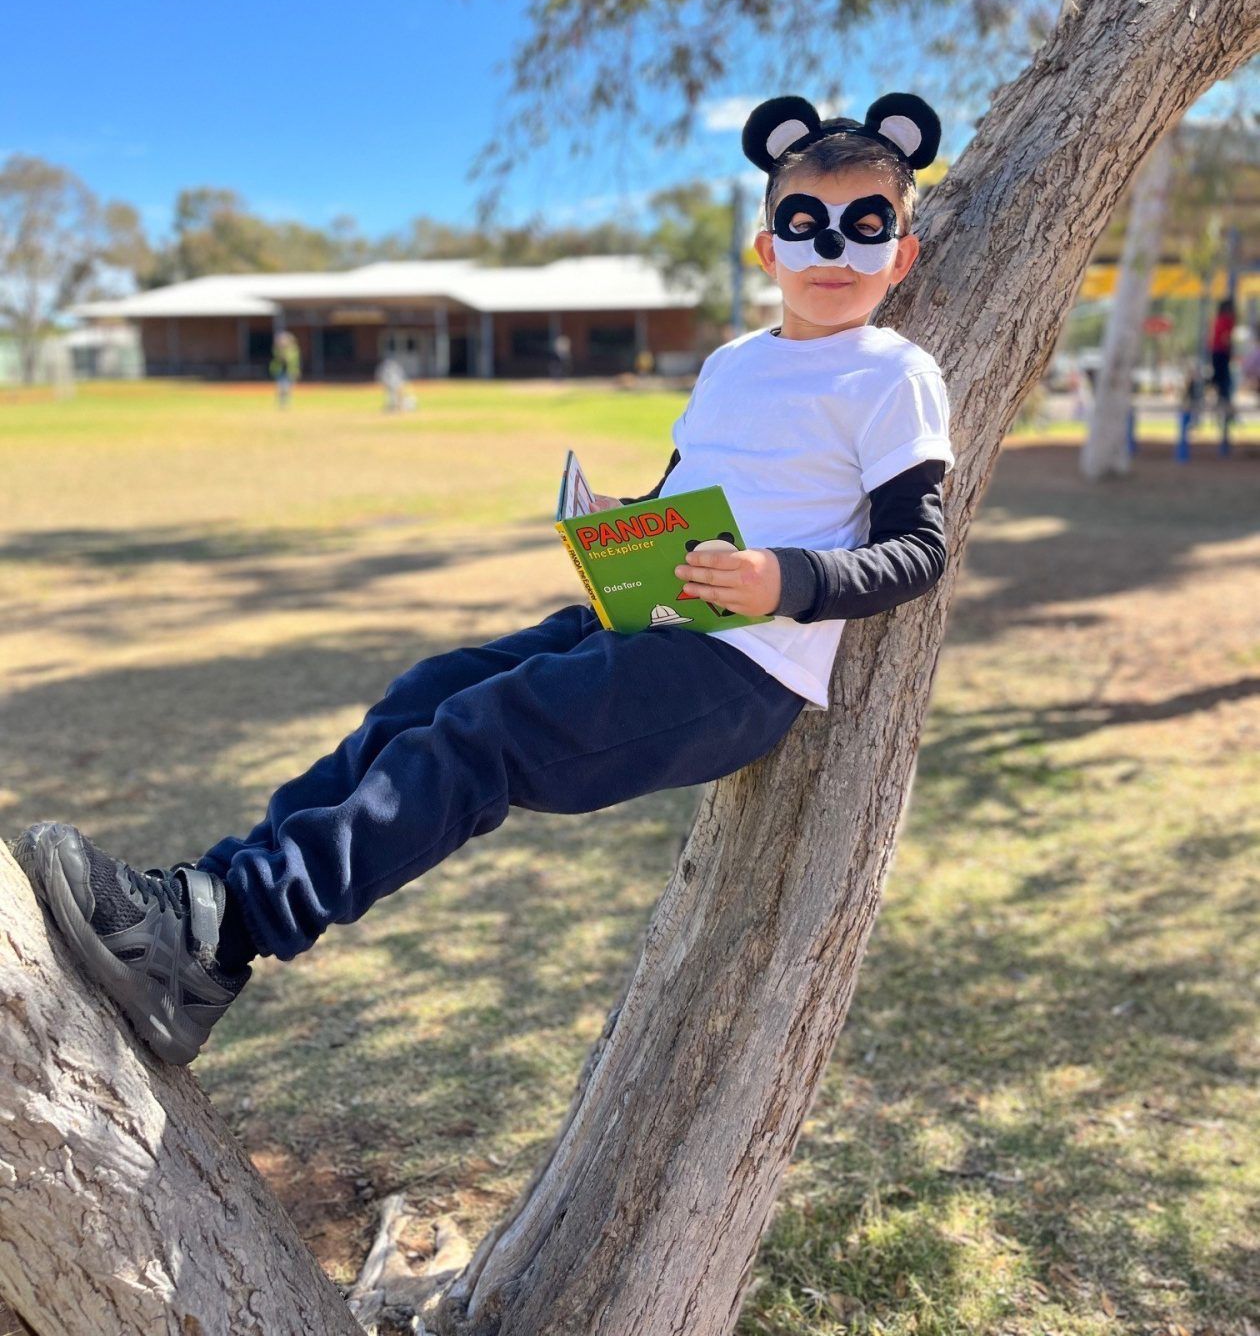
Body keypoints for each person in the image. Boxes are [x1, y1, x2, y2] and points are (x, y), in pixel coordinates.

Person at [12, 91, 956, 1067]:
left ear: (902, 251)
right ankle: (201, 909)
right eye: (806, 227)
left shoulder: (892, 375)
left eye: (865, 225)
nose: (834, 250)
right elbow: (694, 491)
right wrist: (619, 530)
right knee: (425, 693)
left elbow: (916, 551)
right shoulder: (732, 365)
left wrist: (782, 580)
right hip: (652, 614)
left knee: (482, 737)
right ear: (768, 250)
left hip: (742, 667)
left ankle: (229, 930)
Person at [1206, 295, 1236, 419]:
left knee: (1220, 379)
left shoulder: (1218, 319)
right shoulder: (1226, 320)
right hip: (1221, 352)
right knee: (1224, 380)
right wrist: (1230, 349)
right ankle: (1224, 404)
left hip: (1216, 351)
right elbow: (1225, 338)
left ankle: (1221, 401)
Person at [269, 329, 301, 408]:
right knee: (281, 387)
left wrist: (296, 371)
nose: (282, 341)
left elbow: (293, 360)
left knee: (288, 388)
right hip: (280, 371)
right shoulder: (277, 349)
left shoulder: (293, 349)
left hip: (290, 371)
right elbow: (279, 358)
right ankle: (281, 403)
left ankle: (287, 403)